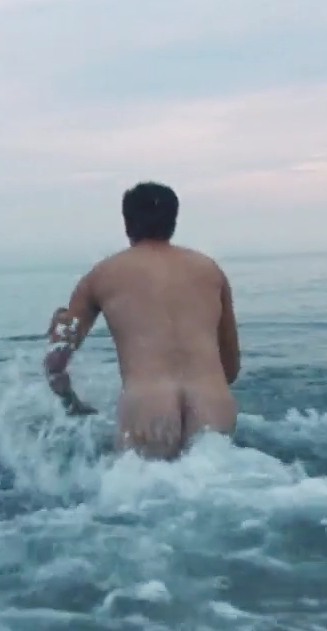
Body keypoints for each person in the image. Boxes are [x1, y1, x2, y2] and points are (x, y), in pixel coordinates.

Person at [42, 181, 241, 459]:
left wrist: (73, 405)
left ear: (127, 223)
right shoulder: (210, 271)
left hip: (147, 412)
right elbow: (230, 369)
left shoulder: (101, 275)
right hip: (213, 409)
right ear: (173, 220)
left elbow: (55, 364)